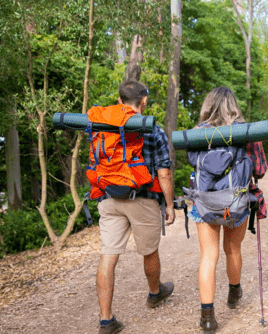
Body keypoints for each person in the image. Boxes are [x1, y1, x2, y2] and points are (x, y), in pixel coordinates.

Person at [95, 80, 176, 334]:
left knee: (108, 256)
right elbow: (164, 172)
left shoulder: (102, 126)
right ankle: (155, 293)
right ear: (144, 101)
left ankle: (106, 320)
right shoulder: (153, 129)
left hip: (108, 197)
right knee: (149, 250)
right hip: (142, 198)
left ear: (120, 101)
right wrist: (170, 204)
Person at [187, 87, 267, 333]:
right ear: (234, 105)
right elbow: (260, 171)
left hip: (205, 202)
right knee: (233, 249)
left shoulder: (196, 134)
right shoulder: (247, 132)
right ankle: (234, 293)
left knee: (208, 256)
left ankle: (207, 318)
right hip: (237, 202)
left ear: (208, 106)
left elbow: (193, 162)